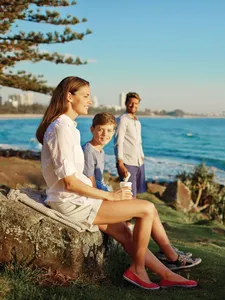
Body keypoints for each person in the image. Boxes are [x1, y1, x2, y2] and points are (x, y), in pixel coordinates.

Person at [36, 76, 199, 290]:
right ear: (69, 96)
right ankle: (137, 270)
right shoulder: (61, 129)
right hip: (72, 203)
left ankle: (166, 274)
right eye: (85, 96)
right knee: (147, 209)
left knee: (124, 231)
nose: (90, 101)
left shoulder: (68, 128)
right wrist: (110, 196)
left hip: (79, 200)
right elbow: (69, 183)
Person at [82, 112, 199, 269]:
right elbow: (90, 187)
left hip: (102, 199)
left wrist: (116, 193)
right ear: (92, 129)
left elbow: (98, 182)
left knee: (149, 209)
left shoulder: (100, 151)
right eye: (101, 129)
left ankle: (169, 253)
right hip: (95, 204)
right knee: (146, 209)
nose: (105, 134)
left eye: (110, 130)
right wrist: (113, 197)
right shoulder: (89, 151)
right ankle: (170, 256)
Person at [114, 92, 146, 198]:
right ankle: (126, 215)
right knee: (129, 195)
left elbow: (139, 142)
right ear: (126, 103)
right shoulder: (122, 120)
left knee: (136, 195)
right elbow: (118, 141)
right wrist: (120, 163)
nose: (133, 106)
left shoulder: (137, 122)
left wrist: (142, 156)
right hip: (128, 163)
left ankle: (133, 214)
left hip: (139, 162)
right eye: (131, 103)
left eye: (136, 103)